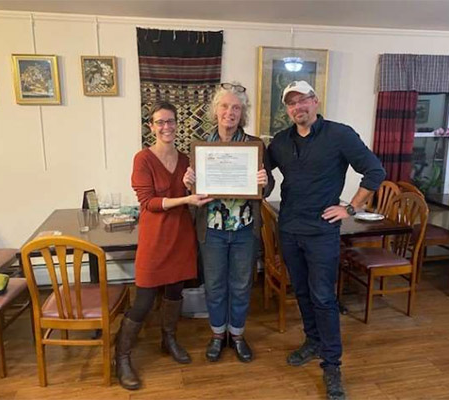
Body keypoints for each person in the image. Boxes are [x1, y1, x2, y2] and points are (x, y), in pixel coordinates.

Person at [267, 81, 385, 400]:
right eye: (291, 103)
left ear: (315, 101)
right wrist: (255, 180)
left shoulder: (339, 134)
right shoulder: (279, 142)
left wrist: (350, 206)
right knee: (302, 291)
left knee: (323, 297)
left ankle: (332, 364)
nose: (297, 107)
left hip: (322, 232)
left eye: (303, 100)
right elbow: (261, 184)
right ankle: (313, 341)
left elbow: (374, 170)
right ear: (287, 109)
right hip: (290, 228)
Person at [115, 101, 212, 391]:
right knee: (143, 300)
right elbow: (148, 203)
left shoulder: (185, 159)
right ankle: (121, 357)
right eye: (160, 122)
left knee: (174, 292)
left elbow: (194, 191)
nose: (166, 127)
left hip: (181, 236)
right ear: (151, 127)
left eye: (170, 121)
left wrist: (190, 187)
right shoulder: (142, 159)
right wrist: (185, 199)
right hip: (155, 237)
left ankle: (168, 339)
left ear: (176, 124)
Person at [183, 82, 274, 363]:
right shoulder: (200, 147)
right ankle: (217, 334)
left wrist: (265, 182)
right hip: (212, 231)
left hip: (245, 230)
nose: (230, 112)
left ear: (242, 112)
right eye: (225, 106)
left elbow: (266, 189)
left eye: (236, 107)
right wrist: (189, 184)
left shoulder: (255, 146)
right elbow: (195, 192)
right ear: (216, 110)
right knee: (215, 285)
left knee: (241, 285)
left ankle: (237, 334)